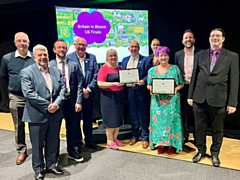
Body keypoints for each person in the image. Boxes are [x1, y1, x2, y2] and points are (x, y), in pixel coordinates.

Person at [187, 28, 239, 167]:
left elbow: (234, 81)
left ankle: (215, 153)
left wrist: (232, 102)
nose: (214, 38)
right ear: (209, 38)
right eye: (212, 36)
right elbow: (194, 76)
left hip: (219, 99)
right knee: (199, 128)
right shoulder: (200, 54)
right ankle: (201, 151)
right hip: (199, 98)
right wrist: (190, 95)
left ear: (223, 39)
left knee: (217, 129)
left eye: (217, 36)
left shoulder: (232, 56)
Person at [21, 44, 65, 180]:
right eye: (39, 55)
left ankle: (51, 165)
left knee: (53, 141)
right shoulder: (27, 72)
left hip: (55, 113)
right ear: (34, 57)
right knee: (37, 144)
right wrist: (48, 106)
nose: (43, 57)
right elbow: (29, 94)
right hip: (37, 114)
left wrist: (56, 104)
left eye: (45, 54)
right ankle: (38, 169)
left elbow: (63, 89)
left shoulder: (56, 71)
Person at [0, 32, 34, 165]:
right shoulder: (7, 58)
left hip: (32, 98)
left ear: (28, 43)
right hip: (16, 97)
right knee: (18, 125)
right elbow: (3, 76)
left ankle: (38, 147)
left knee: (35, 125)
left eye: (24, 41)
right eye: (19, 41)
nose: (22, 43)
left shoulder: (34, 58)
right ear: (15, 43)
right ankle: (22, 150)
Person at [49, 39, 84, 162]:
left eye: (64, 47)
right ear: (54, 50)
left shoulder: (73, 65)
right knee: (55, 130)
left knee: (72, 128)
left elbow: (80, 83)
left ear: (67, 49)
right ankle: (55, 155)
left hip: (71, 101)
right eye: (59, 47)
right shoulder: (49, 65)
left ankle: (71, 151)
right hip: (56, 103)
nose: (61, 49)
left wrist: (79, 101)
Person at [147, 46, 184, 155]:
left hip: (172, 102)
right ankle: (161, 144)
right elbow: (148, 85)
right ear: (157, 57)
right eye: (161, 55)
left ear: (168, 56)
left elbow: (181, 84)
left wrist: (175, 89)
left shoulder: (175, 69)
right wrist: (151, 90)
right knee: (158, 123)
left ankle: (172, 144)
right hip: (157, 102)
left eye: (165, 55)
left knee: (171, 122)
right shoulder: (152, 70)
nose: (163, 57)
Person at [67, 37, 99, 150]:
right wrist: (81, 91)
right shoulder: (68, 58)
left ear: (86, 46)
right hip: (75, 96)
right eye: (79, 44)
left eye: (83, 45)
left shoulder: (92, 58)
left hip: (89, 95)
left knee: (88, 119)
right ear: (74, 45)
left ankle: (89, 141)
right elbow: (68, 77)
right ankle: (78, 143)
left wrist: (88, 89)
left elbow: (96, 75)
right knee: (75, 120)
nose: (81, 47)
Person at [121, 40, 152, 149]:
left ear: (139, 48)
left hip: (141, 91)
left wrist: (143, 81)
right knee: (133, 114)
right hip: (129, 91)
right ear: (129, 49)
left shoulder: (146, 60)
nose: (133, 48)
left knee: (143, 114)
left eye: (135, 47)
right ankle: (134, 135)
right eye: (131, 47)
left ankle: (144, 137)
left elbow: (150, 74)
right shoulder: (124, 60)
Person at [175, 29, 201, 144]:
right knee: (184, 113)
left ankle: (197, 138)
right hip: (183, 87)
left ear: (194, 39)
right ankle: (185, 136)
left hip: (196, 87)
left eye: (190, 37)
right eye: (186, 38)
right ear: (182, 41)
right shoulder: (178, 54)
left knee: (197, 114)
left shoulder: (201, 53)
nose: (188, 39)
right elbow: (176, 72)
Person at [97, 49, 124, 150]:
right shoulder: (104, 68)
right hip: (108, 97)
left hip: (119, 96)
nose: (113, 57)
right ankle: (109, 140)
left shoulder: (120, 68)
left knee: (118, 118)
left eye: (115, 55)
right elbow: (100, 83)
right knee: (110, 119)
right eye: (111, 56)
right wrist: (113, 84)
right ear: (107, 57)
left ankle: (115, 138)